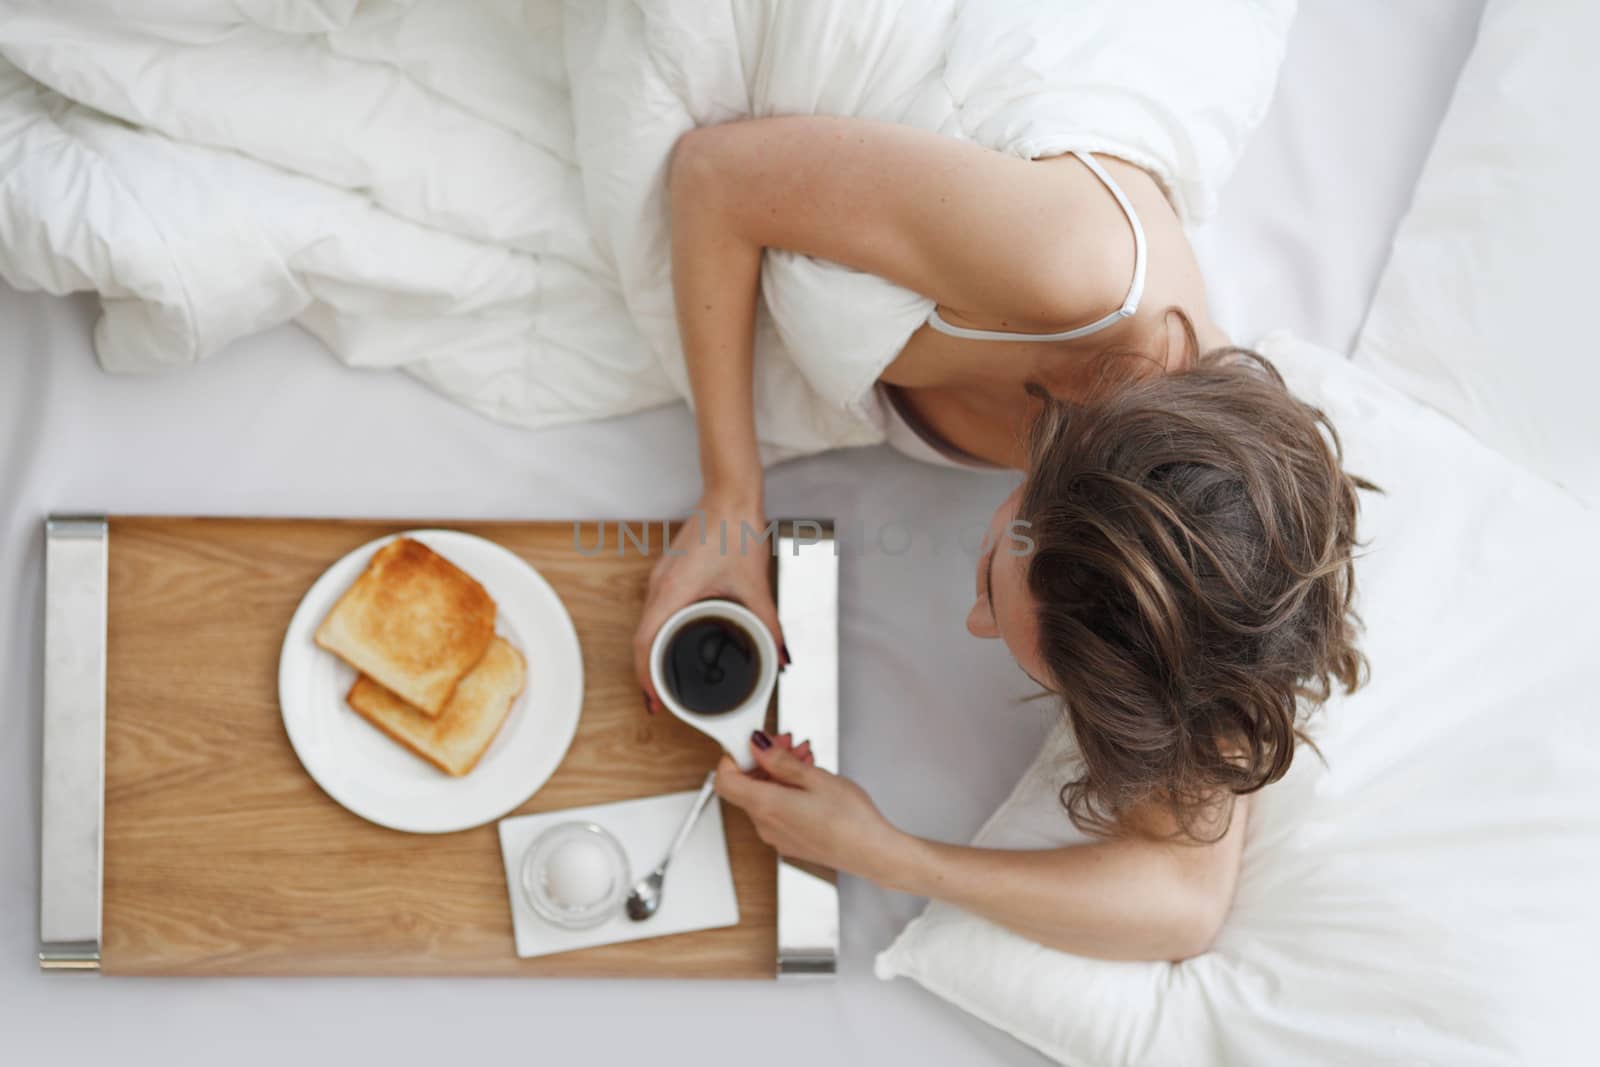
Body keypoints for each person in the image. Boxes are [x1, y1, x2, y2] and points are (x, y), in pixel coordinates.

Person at [633, 116, 1368, 960]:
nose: (977, 624)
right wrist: (732, 494)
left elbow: (1183, 905)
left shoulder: (1203, 601)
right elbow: (714, 171)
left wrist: (887, 853)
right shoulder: (1073, 266)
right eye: (989, 583)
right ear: (1057, 470)